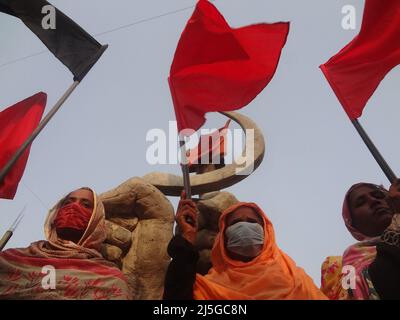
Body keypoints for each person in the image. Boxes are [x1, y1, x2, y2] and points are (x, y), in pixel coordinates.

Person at [163, 194, 327, 300]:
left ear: (267, 233)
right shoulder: (208, 286)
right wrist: (187, 237)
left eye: (252, 222)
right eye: (235, 223)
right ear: (223, 237)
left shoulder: (296, 279)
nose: (244, 227)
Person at [0, 187, 131, 299]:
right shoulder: (9, 260)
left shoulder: (109, 277)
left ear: (96, 221)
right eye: (68, 202)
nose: (73, 207)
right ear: (55, 214)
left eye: (85, 205)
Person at [321, 181, 400, 300]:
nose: (374, 201)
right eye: (361, 203)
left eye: (379, 196)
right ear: (353, 224)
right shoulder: (342, 267)